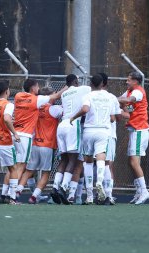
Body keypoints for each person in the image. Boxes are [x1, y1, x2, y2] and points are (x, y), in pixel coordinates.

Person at [0, 79, 67, 202]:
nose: (38, 88)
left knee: (22, 169)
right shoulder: (46, 105)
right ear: (33, 88)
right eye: (36, 86)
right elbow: (62, 106)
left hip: (22, 137)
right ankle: (22, 196)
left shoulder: (19, 96)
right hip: (39, 142)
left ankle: (8, 193)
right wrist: (69, 86)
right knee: (42, 171)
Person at [70, 74, 116, 204]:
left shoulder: (88, 96)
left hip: (89, 130)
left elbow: (85, 109)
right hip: (103, 131)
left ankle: (89, 196)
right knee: (102, 157)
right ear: (102, 84)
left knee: (88, 161)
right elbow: (113, 118)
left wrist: (73, 118)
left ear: (91, 84)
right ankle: (100, 182)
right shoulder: (109, 97)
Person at [15, 87, 63, 204]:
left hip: (35, 144)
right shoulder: (54, 109)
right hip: (47, 145)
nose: (56, 96)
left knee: (29, 171)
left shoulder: (35, 108)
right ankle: (34, 196)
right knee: (46, 172)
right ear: (49, 96)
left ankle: (17, 192)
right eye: (54, 94)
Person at [51, 74, 91, 204]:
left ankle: (55, 187)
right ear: (75, 81)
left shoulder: (64, 94)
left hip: (61, 125)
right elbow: (93, 90)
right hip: (73, 124)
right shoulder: (83, 89)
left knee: (63, 159)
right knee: (73, 160)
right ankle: (63, 188)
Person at [118, 71, 149, 205]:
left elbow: (126, 100)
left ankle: (144, 191)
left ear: (135, 81)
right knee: (131, 162)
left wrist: (114, 100)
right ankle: (139, 191)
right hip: (134, 130)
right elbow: (122, 99)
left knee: (134, 162)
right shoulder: (130, 91)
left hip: (140, 130)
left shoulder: (138, 92)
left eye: (129, 80)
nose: (127, 82)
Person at [99, 72, 127, 205]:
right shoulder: (111, 98)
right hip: (108, 134)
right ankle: (107, 194)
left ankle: (102, 194)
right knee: (108, 165)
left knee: (95, 164)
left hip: (93, 134)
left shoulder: (89, 96)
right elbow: (117, 117)